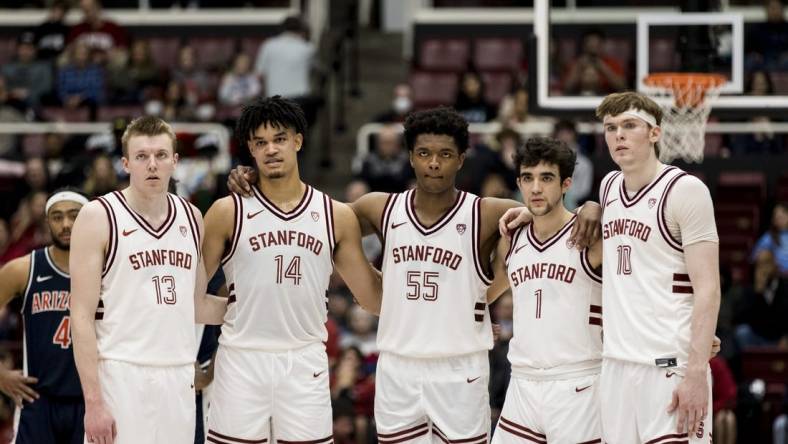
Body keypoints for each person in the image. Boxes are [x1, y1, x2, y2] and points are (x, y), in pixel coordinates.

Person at [228, 106, 602, 442]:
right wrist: (258, 179)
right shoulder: (380, 207)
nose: (433, 163)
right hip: (397, 366)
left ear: (461, 159)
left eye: (444, 154)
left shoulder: (488, 213)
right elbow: (312, 219)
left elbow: (552, 214)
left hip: (460, 368)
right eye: (424, 153)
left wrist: (591, 206)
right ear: (410, 157)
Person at [499, 91, 720, 443]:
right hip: (615, 367)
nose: (618, 135)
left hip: (668, 366)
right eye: (611, 127)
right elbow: (572, 222)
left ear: (655, 133)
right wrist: (535, 212)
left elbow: (708, 288)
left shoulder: (686, 191)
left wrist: (695, 369)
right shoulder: (610, 187)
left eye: (630, 125)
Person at [201, 96, 382, 444]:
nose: (271, 149)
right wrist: (236, 311)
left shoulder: (336, 215)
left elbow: (372, 298)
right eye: (260, 143)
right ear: (250, 151)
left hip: (304, 362)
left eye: (280, 138)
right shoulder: (227, 211)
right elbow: (188, 295)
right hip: (241, 359)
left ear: (298, 141)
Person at [69, 116, 227, 444]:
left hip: (179, 375)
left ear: (175, 161)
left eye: (160, 155)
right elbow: (80, 317)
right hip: (121, 374)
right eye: (141, 156)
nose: (152, 165)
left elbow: (196, 306)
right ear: (126, 163)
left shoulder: (192, 217)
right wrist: (94, 403)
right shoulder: (98, 216)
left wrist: (255, 304)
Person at [488, 137, 604, 443]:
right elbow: (485, 292)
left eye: (546, 178)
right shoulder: (512, 237)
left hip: (577, 383)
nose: (536, 188)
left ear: (566, 183)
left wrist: (595, 205)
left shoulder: (589, 233)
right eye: (528, 178)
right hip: (522, 384)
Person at [0, 188, 88, 444]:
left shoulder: (107, 269)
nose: (66, 224)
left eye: (74, 215)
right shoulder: (24, 268)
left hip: (90, 399)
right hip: (38, 401)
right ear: (47, 222)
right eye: (57, 217)